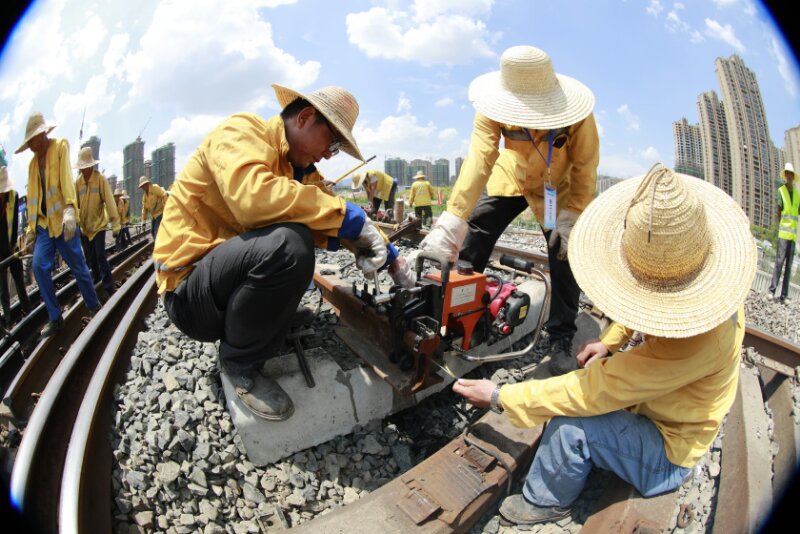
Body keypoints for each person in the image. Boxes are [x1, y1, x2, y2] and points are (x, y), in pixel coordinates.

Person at [453, 164, 756, 526]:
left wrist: (501, 397)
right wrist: (610, 342)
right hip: (670, 411)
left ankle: (545, 501)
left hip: (669, 451)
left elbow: (596, 391)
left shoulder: (699, 343)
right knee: (589, 383)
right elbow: (650, 299)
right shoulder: (713, 289)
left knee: (571, 427)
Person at [153, 84, 417, 421]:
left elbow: (330, 210)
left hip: (221, 285)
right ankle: (241, 363)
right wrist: (348, 221)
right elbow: (254, 200)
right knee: (290, 246)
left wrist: (390, 254)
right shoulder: (241, 132)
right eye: (332, 143)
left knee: (300, 235)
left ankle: (265, 323)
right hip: (190, 295)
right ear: (306, 117)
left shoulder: (298, 170)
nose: (328, 155)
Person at [419, 45, 599, 375]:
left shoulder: (578, 113)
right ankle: (458, 315)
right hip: (511, 176)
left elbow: (586, 165)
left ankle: (561, 334)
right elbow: (480, 158)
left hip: (558, 188)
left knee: (565, 254)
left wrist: (573, 214)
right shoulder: (491, 108)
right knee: (477, 229)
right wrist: (453, 217)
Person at [15, 112, 101, 337]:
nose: (31, 147)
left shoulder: (60, 147)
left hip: (63, 221)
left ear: (42, 135)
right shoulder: (33, 165)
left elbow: (65, 179)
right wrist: (31, 231)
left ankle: (93, 306)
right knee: (38, 266)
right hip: (44, 226)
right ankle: (55, 317)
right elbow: (33, 197)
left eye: (32, 141)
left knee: (78, 266)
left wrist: (71, 208)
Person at [74, 147, 120, 299]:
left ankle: (109, 287)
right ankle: (96, 283)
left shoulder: (100, 179)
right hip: (84, 228)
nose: (84, 171)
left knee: (100, 255)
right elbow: (74, 205)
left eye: (86, 167)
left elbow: (109, 201)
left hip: (99, 225)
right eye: (81, 168)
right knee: (90, 259)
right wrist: (75, 223)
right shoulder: (78, 183)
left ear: (91, 166)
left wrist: (115, 224)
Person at [0, 166, 32, 330]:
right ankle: (7, 321)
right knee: (2, 290)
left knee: (19, 280)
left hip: (12, 249)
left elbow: (14, 223)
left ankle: (28, 311)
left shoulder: (13, 196)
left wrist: (14, 247)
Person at [768, 162, 798, 304]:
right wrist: (781, 226)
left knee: (789, 266)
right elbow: (779, 210)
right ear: (785, 175)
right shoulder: (781, 191)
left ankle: (784, 295)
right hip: (783, 235)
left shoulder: (797, 195)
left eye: (791, 174)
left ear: (793, 176)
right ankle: (772, 290)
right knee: (779, 263)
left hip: (792, 237)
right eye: (788, 174)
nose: (789, 176)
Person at [139, 175, 167, 240]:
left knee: (157, 231)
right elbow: (144, 209)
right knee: (152, 231)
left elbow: (164, 195)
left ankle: (158, 246)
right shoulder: (145, 197)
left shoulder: (155, 188)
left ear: (147, 184)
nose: (143, 187)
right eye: (141, 186)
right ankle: (157, 244)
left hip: (160, 212)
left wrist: (166, 208)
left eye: (143, 185)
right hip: (154, 215)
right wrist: (143, 221)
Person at [114, 186, 131, 251]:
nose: (117, 197)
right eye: (116, 196)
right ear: (115, 196)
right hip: (115, 221)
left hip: (122, 221)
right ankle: (120, 247)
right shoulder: (112, 203)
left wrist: (123, 223)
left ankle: (121, 247)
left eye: (119, 196)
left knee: (121, 234)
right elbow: (111, 213)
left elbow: (123, 213)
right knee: (118, 235)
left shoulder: (122, 202)